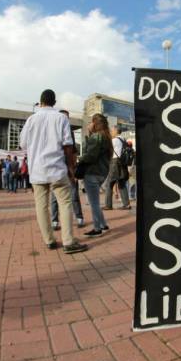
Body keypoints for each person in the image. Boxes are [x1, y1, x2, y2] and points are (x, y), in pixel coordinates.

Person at [19, 89, 87, 254]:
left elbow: (23, 145)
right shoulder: (61, 118)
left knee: (41, 206)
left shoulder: (31, 120)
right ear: (54, 102)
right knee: (65, 203)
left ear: (40, 101)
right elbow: (68, 146)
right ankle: (68, 241)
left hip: (37, 171)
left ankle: (49, 240)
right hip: (57, 169)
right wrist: (71, 169)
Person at [78, 113, 112, 237]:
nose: (89, 124)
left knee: (94, 203)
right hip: (102, 173)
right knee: (96, 202)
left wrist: (79, 161)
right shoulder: (106, 136)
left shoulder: (97, 136)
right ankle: (103, 225)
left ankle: (97, 229)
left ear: (95, 123)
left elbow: (90, 155)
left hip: (92, 172)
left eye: (91, 122)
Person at [51, 110, 84, 228]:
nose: (65, 120)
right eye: (64, 117)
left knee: (74, 192)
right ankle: (55, 220)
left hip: (67, 166)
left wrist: (73, 167)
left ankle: (79, 217)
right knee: (55, 194)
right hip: (57, 166)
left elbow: (73, 151)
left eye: (67, 118)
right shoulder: (53, 130)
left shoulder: (69, 130)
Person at [103, 125, 131, 211]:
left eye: (112, 130)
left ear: (115, 131)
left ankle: (108, 205)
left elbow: (106, 150)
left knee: (109, 183)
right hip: (122, 163)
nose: (111, 132)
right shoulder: (124, 140)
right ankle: (126, 204)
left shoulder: (114, 140)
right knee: (121, 183)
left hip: (115, 163)